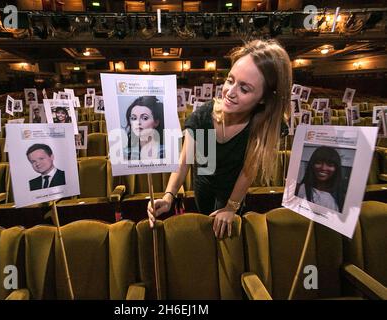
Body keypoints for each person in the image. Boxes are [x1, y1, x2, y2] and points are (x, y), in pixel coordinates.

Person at [147, 39, 292, 238]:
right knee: (206, 233)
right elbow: (184, 163)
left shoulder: (264, 124)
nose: (230, 92)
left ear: (264, 98)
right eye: (230, 80)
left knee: (228, 237)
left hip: (234, 192)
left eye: (244, 88)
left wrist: (231, 208)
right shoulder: (203, 116)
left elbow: (248, 171)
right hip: (203, 187)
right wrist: (168, 195)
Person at [295, 146, 344, 212]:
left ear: (336, 169)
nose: (323, 168)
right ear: (312, 165)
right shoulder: (299, 188)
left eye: (330, 165)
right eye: (318, 163)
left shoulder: (340, 199)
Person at [124, 96, 164, 160]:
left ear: (156, 122)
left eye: (145, 118)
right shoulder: (125, 153)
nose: (138, 122)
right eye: (134, 118)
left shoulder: (165, 153)